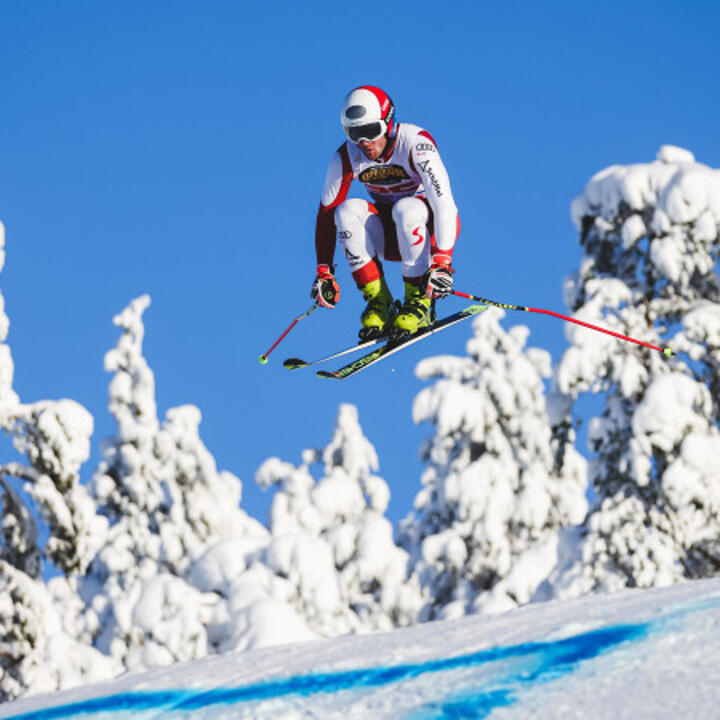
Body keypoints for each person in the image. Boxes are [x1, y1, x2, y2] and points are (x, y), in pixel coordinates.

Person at [310, 85, 460, 341]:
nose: (364, 142)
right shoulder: (347, 155)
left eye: (370, 131)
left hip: (426, 231)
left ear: (388, 123)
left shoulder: (416, 144)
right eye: (354, 133)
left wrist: (443, 262)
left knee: (407, 207)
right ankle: (380, 303)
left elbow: (445, 204)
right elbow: (327, 212)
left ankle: (419, 303)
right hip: (388, 237)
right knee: (346, 212)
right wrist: (324, 271)